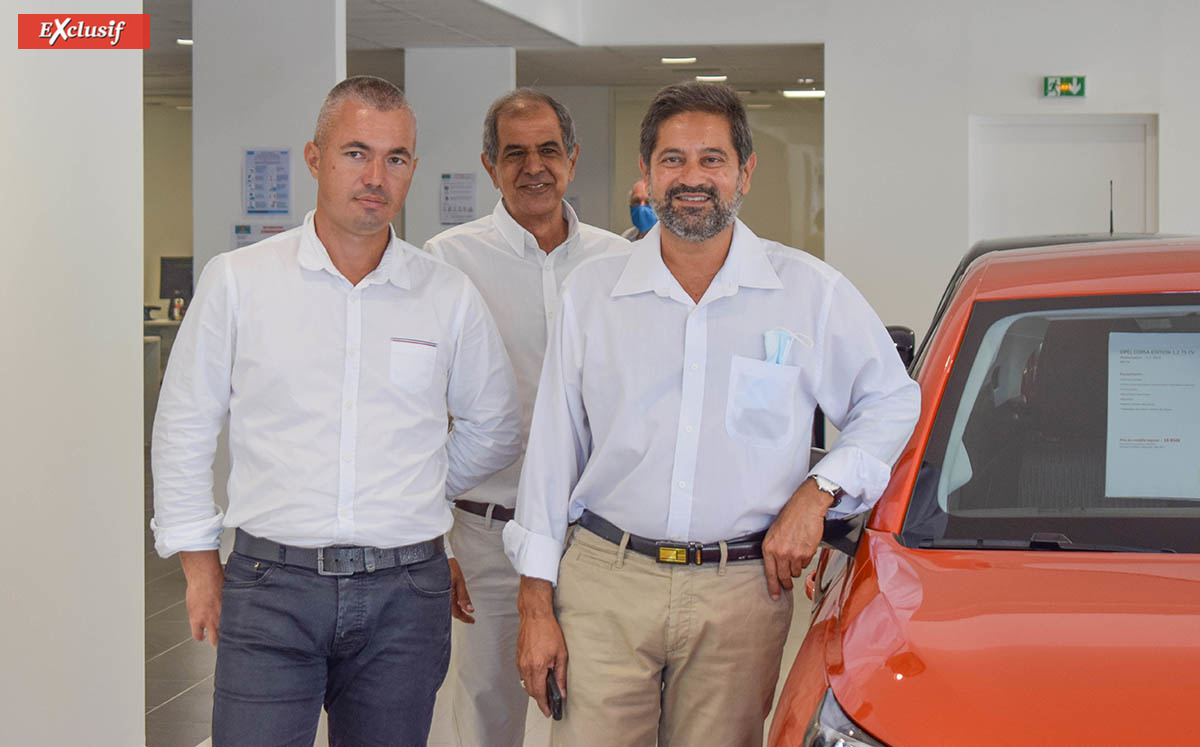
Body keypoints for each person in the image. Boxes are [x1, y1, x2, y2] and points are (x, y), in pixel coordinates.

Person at [505, 82, 921, 746]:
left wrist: (819, 491)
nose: (691, 178)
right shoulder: (593, 293)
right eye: (672, 160)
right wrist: (535, 604)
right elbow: (554, 452)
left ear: (744, 172)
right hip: (607, 582)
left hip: (740, 590)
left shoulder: (808, 292)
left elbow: (894, 399)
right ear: (647, 173)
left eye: (711, 159)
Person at [150, 76, 523, 746]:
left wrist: (409, 481)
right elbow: (184, 425)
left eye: (396, 158)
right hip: (271, 589)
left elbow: (495, 424)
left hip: (405, 595)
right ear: (315, 157)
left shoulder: (446, 295)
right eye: (356, 153)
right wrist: (198, 558)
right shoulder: (240, 282)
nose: (375, 176)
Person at [425, 88, 628, 747]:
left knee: (600, 711)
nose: (533, 166)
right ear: (490, 166)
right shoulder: (447, 261)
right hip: (487, 534)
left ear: (572, 158)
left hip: (596, 541)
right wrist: (439, 538)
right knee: (485, 712)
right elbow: (417, 408)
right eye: (515, 153)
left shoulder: (618, 263)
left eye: (548, 150)